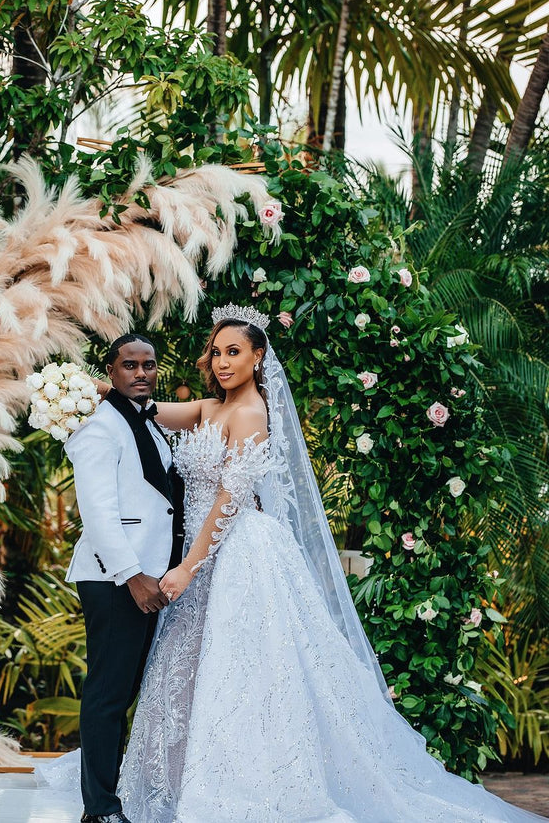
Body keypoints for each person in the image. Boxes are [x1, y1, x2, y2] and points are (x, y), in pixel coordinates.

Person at [40, 307, 542, 822]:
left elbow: (230, 499)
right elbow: (147, 409)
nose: (222, 362)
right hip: (195, 560)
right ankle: (179, 777)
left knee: (246, 669)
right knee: (194, 673)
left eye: (234, 352)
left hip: (233, 553)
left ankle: (247, 781)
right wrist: (78, 390)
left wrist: (189, 565)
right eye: (216, 352)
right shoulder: (208, 409)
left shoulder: (251, 413)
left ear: (259, 358)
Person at [35, 334, 184, 823]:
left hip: (150, 574)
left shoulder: (146, 422)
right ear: (112, 370)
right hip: (116, 578)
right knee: (107, 695)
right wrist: (132, 576)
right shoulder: (100, 428)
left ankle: (112, 797)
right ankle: (99, 810)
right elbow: (98, 514)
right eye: (130, 365)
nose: (141, 373)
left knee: (125, 690)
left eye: (149, 365)